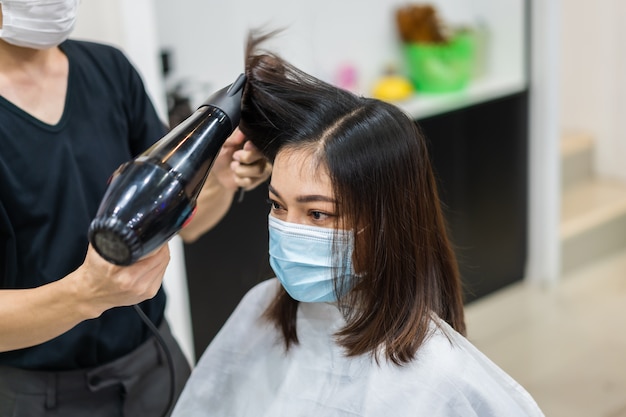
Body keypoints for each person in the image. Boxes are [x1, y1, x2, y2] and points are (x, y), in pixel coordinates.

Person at [171, 31, 545, 417]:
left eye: (317, 213)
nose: (288, 230)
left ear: (386, 222)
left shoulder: (440, 377)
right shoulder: (260, 311)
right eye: (277, 206)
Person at [0, 1, 271, 416]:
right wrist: (84, 296)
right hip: (38, 393)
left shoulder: (109, 70)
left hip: (156, 367)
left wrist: (217, 177)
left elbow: (187, 226)